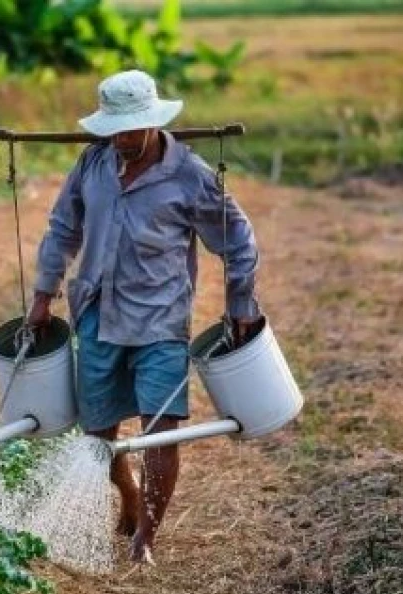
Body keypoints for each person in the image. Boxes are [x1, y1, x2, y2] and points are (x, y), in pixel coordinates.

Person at [27, 69, 262, 564]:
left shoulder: (190, 176)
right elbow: (62, 228)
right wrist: (43, 295)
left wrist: (240, 303)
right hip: (97, 314)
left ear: (155, 122)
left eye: (133, 129)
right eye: (116, 130)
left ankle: (145, 539)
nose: (124, 139)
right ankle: (129, 496)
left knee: (161, 430)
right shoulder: (93, 162)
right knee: (98, 434)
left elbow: (238, 240)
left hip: (160, 321)